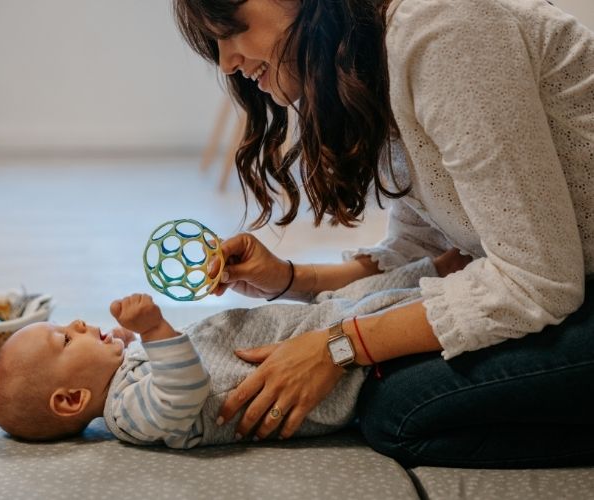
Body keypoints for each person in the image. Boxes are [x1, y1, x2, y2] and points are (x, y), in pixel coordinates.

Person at [173, 0, 594, 467]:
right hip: (569, 282)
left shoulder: (444, 27)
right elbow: (426, 248)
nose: (226, 62)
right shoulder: (364, 53)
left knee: (399, 407)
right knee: (384, 375)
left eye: (232, 29)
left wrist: (338, 346)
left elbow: (537, 280)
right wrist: (290, 279)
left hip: (563, 284)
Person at [0, 256, 453, 446]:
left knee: (353, 299)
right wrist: (154, 330)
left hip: (299, 330)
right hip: (324, 374)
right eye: (65, 339)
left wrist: (125, 341)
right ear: (71, 399)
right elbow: (182, 391)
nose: (77, 324)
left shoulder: (123, 380)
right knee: (376, 309)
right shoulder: (128, 416)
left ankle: (436, 266)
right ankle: (451, 285)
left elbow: (150, 364)